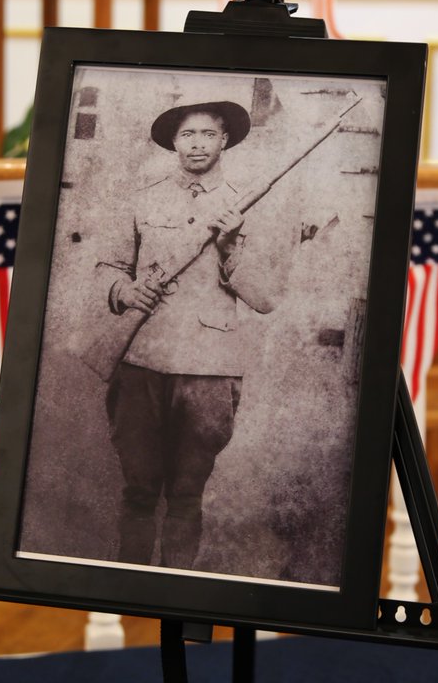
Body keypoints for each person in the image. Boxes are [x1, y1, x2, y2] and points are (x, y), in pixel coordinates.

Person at [99, 99, 280, 570]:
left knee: (186, 494)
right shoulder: (144, 198)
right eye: (187, 135)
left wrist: (230, 246)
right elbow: (107, 267)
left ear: (225, 141)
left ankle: (175, 592)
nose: (197, 144)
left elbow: (266, 297)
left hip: (208, 371)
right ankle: (126, 590)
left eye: (207, 135)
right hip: (143, 361)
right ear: (174, 142)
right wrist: (124, 290)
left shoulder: (247, 205)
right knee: (138, 490)